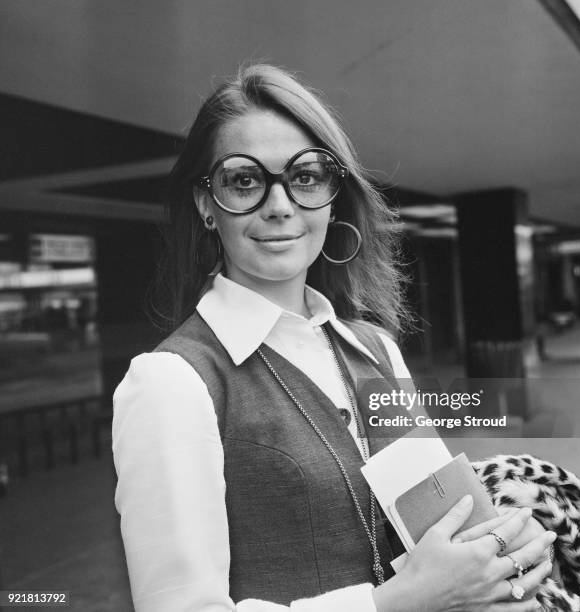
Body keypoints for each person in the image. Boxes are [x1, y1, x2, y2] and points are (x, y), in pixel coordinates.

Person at [112, 64, 555, 612]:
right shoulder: (172, 381)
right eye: (243, 179)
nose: (279, 204)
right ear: (206, 204)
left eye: (305, 176)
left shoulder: (375, 347)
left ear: (332, 195)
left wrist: (504, 550)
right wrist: (399, 600)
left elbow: (441, 523)